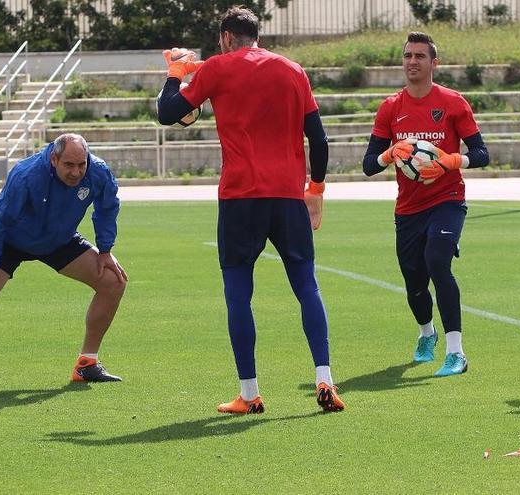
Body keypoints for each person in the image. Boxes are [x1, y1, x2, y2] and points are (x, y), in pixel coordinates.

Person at [157, 7, 343, 414]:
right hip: (288, 196)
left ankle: (250, 392)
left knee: (239, 295)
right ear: (256, 35)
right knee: (307, 286)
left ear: (225, 37)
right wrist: (316, 189)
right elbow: (320, 139)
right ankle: (325, 379)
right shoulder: (293, 70)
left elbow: (168, 112)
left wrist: (176, 72)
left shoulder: (218, 69)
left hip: (241, 196)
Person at [0, 134, 128, 393]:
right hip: (11, 241)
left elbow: (107, 207)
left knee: (113, 281)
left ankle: (87, 364)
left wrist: (105, 250)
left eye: (81, 164)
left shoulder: (98, 172)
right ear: (54, 159)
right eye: (69, 165)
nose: (76, 172)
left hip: (59, 240)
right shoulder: (26, 174)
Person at [362, 32, 490, 377]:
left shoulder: (453, 102)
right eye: (408, 56)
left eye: (420, 56)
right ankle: (426, 334)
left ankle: (456, 353)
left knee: (437, 262)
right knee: (414, 282)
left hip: (448, 199)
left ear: (435, 63)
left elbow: (482, 154)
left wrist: (452, 161)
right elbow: (369, 164)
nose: (412, 61)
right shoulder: (391, 107)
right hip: (408, 209)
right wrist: (390, 153)